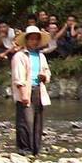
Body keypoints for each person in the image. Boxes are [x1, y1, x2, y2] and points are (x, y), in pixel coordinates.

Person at [11, 26, 50, 156]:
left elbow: (46, 71)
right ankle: (24, 148)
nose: (34, 41)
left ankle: (35, 149)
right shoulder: (20, 56)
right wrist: (23, 94)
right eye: (32, 39)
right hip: (26, 89)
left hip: (38, 89)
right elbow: (18, 76)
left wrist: (44, 77)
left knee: (38, 121)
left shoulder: (41, 56)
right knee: (25, 120)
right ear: (27, 40)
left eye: (36, 39)